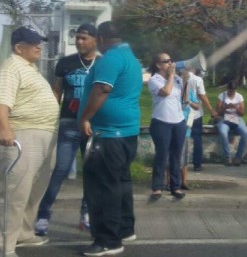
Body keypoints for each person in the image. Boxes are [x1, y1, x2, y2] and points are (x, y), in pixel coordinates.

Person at [0, 25, 59, 257]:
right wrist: (5, 128)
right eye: (33, 43)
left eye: (40, 42)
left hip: (43, 134)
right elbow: (0, 102)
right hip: (21, 135)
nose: (39, 46)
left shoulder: (29, 68)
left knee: (34, 190)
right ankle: (5, 248)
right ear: (19, 48)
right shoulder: (11, 68)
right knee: (15, 193)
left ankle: (24, 233)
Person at [79, 21, 143, 257]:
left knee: (103, 188)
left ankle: (108, 240)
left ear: (101, 39)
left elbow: (102, 90)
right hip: (126, 132)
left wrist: (86, 117)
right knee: (121, 183)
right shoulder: (130, 57)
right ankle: (125, 229)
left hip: (108, 134)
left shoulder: (110, 59)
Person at [34, 23, 97, 236]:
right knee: (60, 169)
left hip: (94, 127)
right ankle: (43, 213)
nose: (79, 41)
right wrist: (52, 117)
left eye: (83, 38)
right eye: (77, 37)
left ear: (95, 40)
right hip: (69, 124)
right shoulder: (66, 63)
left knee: (91, 173)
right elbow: (57, 91)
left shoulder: (104, 64)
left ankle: (86, 213)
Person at [147, 53, 187, 200]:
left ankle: (175, 186)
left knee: (176, 156)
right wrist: (171, 76)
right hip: (161, 121)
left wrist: (183, 79)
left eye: (171, 60)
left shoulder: (177, 79)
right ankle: (157, 187)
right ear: (158, 65)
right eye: (166, 61)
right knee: (162, 154)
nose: (170, 63)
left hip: (178, 121)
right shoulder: (154, 80)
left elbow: (180, 98)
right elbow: (165, 92)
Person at [181, 66, 218, 172]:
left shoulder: (179, 78)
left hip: (183, 113)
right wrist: (211, 110)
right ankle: (197, 164)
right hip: (195, 113)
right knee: (197, 138)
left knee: (183, 139)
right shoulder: (197, 80)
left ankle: (183, 164)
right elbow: (203, 96)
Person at [216, 81, 247, 166]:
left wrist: (236, 107)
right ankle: (228, 156)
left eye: (233, 91)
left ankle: (238, 157)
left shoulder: (239, 97)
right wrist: (225, 107)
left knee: (245, 133)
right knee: (223, 132)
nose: (231, 92)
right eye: (230, 90)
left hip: (236, 117)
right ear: (227, 89)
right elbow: (218, 112)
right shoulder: (222, 96)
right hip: (225, 117)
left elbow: (242, 113)